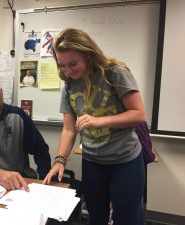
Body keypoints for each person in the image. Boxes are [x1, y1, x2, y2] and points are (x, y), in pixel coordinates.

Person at [43, 28, 146, 225]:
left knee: (126, 219)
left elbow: (139, 114)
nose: (67, 71)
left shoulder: (114, 72)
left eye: (72, 64)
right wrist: (60, 160)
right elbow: (69, 128)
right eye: (62, 66)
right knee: (95, 218)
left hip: (125, 160)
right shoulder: (69, 84)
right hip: (93, 161)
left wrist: (100, 120)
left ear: (88, 55)